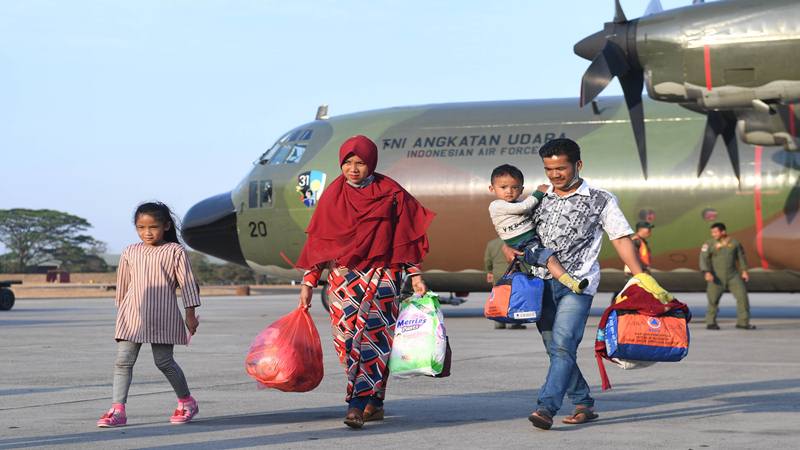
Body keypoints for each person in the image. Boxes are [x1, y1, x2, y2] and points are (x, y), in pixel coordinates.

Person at [501, 138, 671, 430]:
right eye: (549, 169)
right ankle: (583, 402)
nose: (555, 175)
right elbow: (517, 232)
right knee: (555, 349)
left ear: (578, 165)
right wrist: (507, 248)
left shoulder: (601, 199)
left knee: (564, 344)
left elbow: (620, 237)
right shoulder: (540, 199)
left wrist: (640, 276)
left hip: (578, 285)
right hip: (540, 284)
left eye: (561, 168)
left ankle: (546, 407)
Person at [296, 135, 435, 429]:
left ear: (371, 163)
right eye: (348, 163)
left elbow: (405, 236)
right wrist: (309, 282)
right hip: (343, 279)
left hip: (383, 275)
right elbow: (320, 242)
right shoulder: (333, 196)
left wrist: (415, 275)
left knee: (373, 339)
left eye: (360, 163)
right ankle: (377, 401)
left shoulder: (391, 192)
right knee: (347, 343)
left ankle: (356, 405)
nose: (353, 169)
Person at [97, 202, 201, 428]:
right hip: (132, 315)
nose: (147, 232)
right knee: (123, 362)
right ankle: (118, 410)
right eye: (141, 228)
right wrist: (121, 313)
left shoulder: (175, 251)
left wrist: (190, 314)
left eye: (152, 227)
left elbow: (188, 284)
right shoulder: (130, 252)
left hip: (163, 315)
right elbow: (123, 286)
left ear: (165, 226)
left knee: (164, 362)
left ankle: (187, 402)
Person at [488, 164, 588, 294]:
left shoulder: (515, 203)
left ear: (521, 189)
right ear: (492, 188)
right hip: (522, 243)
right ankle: (572, 284)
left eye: (514, 187)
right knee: (549, 259)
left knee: (549, 259)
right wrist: (539, 192)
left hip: (529, 240)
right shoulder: (497, 205)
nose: (509, 191)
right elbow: (523, 207)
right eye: (503, 187)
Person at [700, 222, 755, 330]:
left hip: (733, 275)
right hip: (716, 276)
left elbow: (741, 257)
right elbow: (703, 258)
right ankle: (711, 322)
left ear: (723, 232)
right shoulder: (709, 244)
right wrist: (706, 272)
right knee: (713, 300)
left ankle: (743, 322)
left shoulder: (734, 243)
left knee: (742, 298)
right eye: (712, 232)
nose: (713, 234)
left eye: (715, 232)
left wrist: (744, 271)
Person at [484, 237, 526, 330]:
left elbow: (487, 260)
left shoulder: (492, 243)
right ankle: (514, 322)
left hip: (498, 275)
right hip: (513, 273)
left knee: (499, 298)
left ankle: (499, 322)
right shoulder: (517, 241)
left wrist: (489, 271)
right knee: (515, 298)